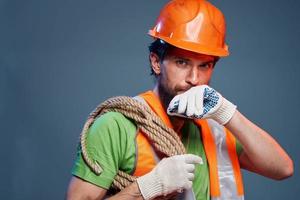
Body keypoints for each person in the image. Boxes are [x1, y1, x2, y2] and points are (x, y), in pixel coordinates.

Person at [66, 0, 294, 199]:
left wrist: (225, 111)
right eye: (182, 63)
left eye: (204, 66)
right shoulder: (117, 126)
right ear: (156, 62)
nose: (194, 79)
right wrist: (147, 187)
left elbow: (282, 168)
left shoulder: (215, 128)